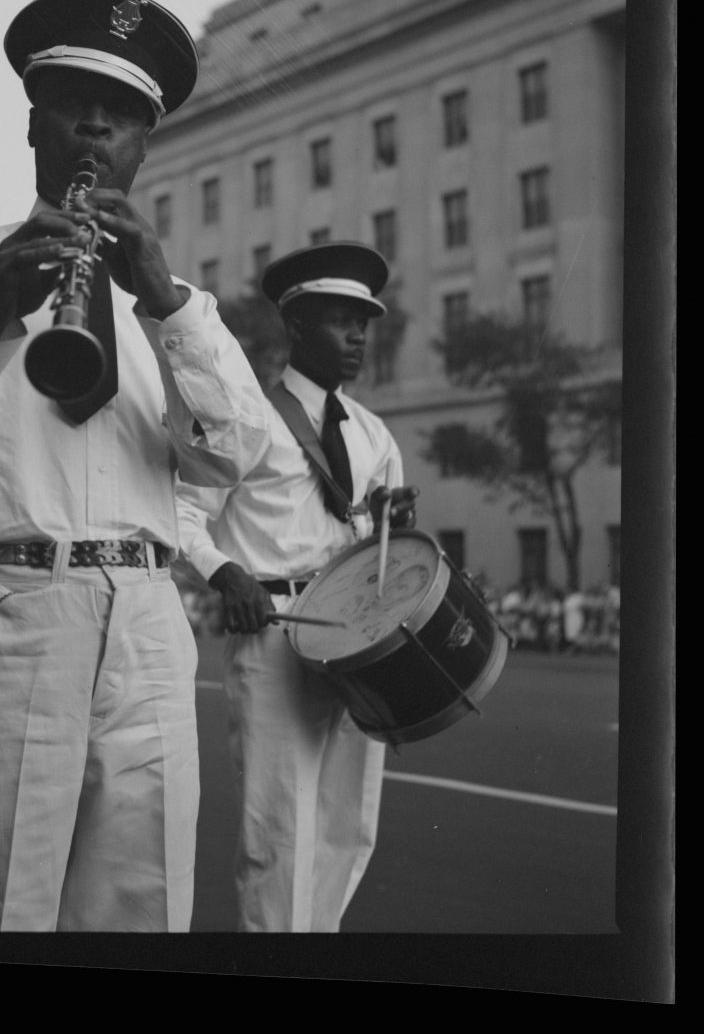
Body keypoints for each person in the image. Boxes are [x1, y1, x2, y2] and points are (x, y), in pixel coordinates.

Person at [0, 0, 270, 931]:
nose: (96, 123)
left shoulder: (185, 305)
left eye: (125, 111)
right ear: (33, 122)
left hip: (147, 621)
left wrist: (163, 306)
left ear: (145, 143)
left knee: (146, 906)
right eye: (73, 100)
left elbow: (230, 459)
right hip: (8, 613)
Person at [176, 242, 418, 932]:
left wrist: (395, 527)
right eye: (341, 319)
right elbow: (185, 513)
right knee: (280, 830)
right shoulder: (249, 416)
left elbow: (383, 535)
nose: (358, 335)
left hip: (358, 632)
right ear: (296, 327)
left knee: (349, 822)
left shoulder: (372, 432)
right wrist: (226, 574)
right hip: (275, 628)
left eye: (364, 321)